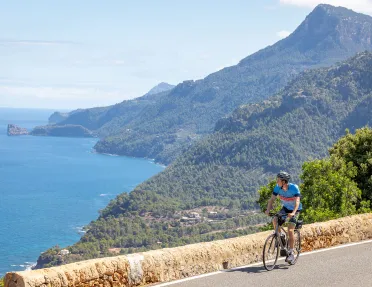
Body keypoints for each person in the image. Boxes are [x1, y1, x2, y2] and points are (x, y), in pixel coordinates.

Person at [265, 171, 302, 264]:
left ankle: (291, 253)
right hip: (285, 208)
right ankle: (280, 236)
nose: (277, 181)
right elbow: (271, 200)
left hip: (295, 210)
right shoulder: (277, 188)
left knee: (290, 231)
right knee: (275, 220)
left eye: (279, 180)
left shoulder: (294, 188)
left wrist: (293, 212)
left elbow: (297, 202)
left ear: (284, 182)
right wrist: (268, 210)